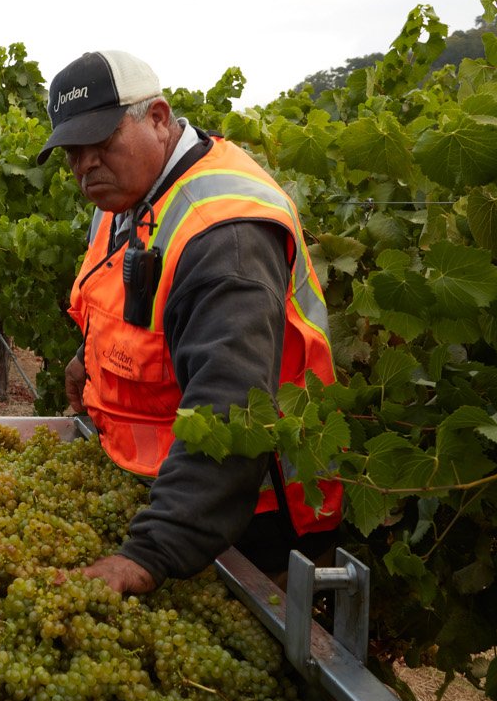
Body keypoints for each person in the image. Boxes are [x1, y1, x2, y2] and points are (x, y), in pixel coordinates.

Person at [35, 50, 343, 596]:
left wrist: (152, 554)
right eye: (72, 153)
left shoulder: (227, 235)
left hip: (247, 521)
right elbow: (135, 310)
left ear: (156, 117)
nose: (85, 166)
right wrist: (89, 360)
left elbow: (231, 409)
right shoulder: (126, 198)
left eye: (102, 143)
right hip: (165, 491)